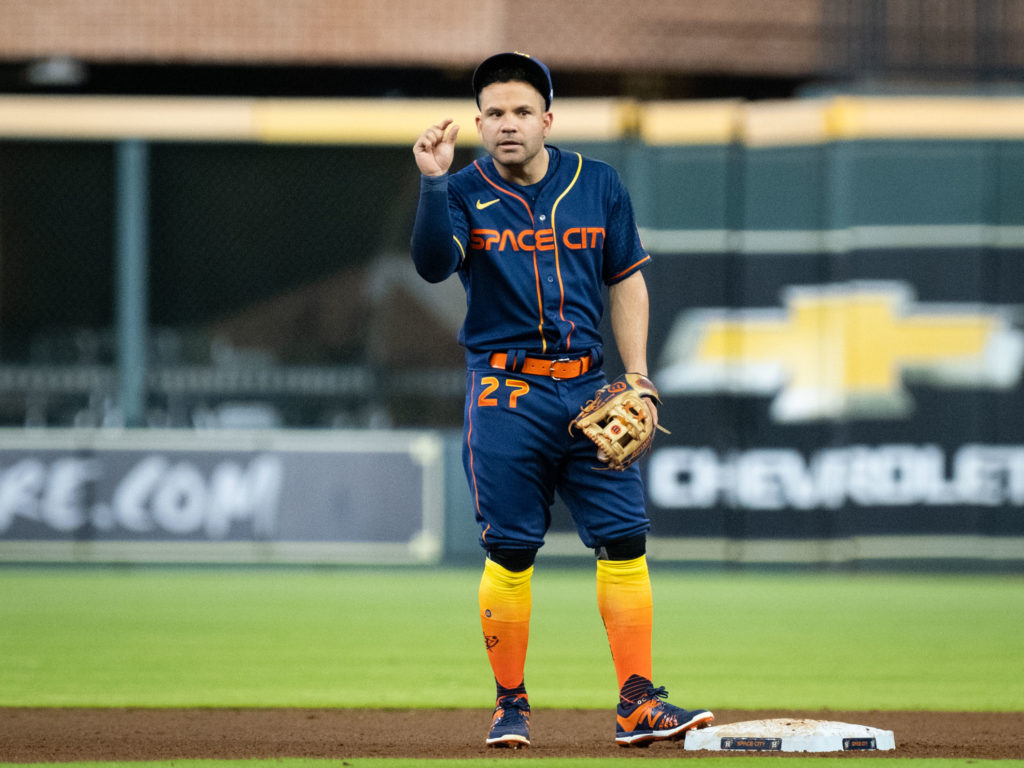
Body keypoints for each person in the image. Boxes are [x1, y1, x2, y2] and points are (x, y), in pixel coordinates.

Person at [410, 51, 713, 749]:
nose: (508, 124)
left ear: (548, 118)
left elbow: (627, 280)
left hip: (588, 388)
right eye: (494, 113)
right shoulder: (462, 190)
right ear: (479, 123)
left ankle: (637, 704)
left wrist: (637, 376)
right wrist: (430, 185)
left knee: (626, 540)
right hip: (505, 391)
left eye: (522, 111)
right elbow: (432, 266)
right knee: (513, 550)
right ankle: (509, 705)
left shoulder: (598, 183)